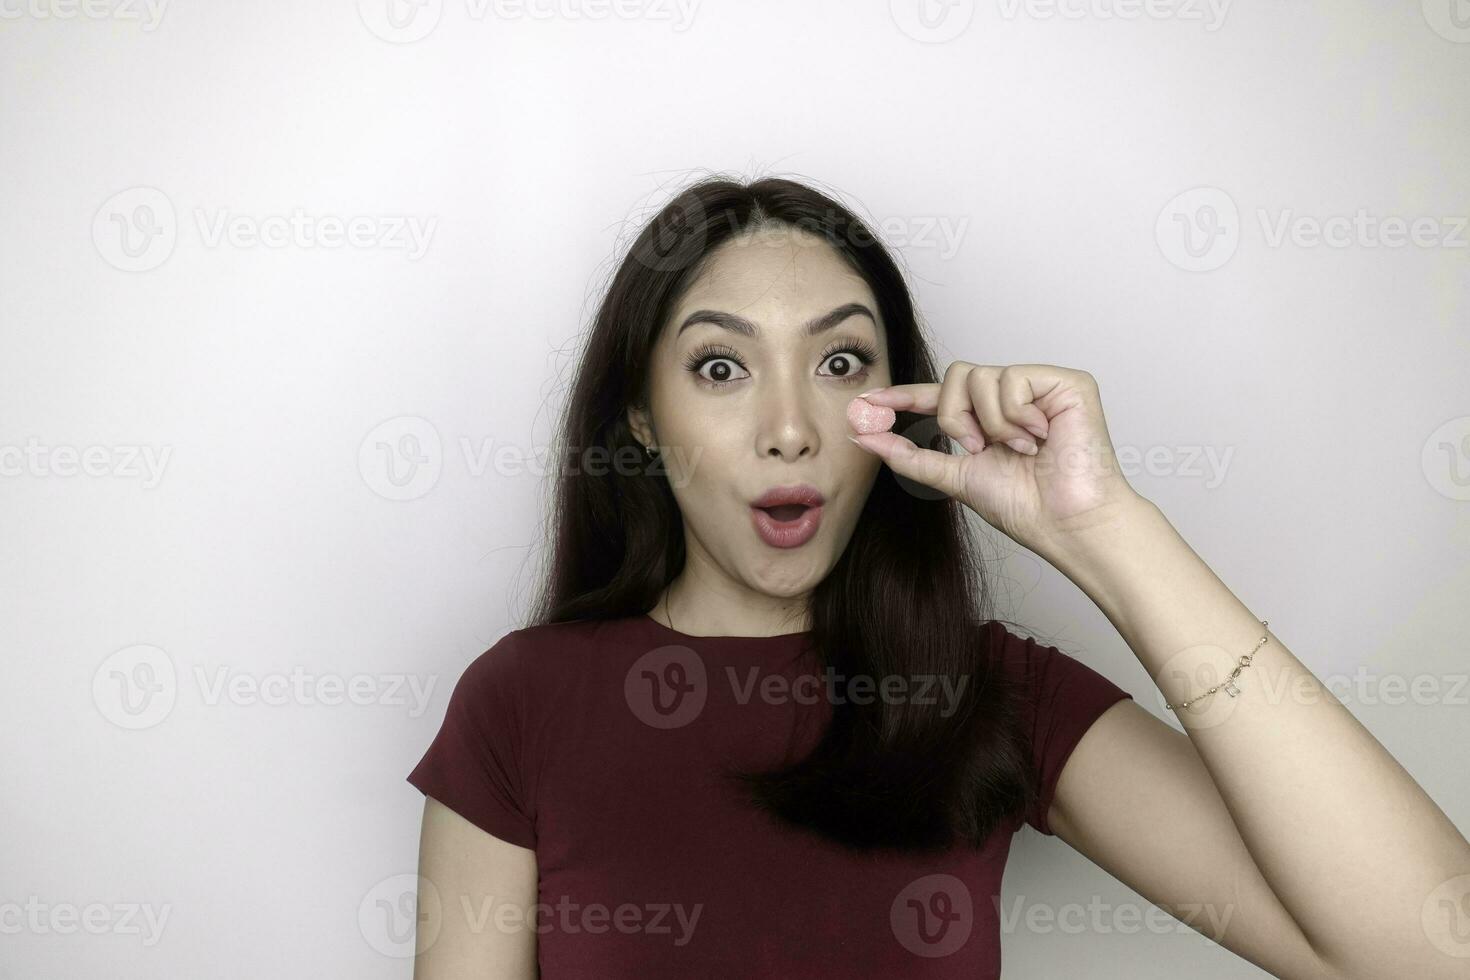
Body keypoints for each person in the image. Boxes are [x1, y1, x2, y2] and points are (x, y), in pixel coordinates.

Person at [405, 175, 1470, 978]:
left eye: (840, 362)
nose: (789, 429)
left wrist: (1108, 529)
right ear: (641, 416)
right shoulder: (521, 700)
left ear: (899, 403)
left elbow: (1429, 949)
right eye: (721, 367)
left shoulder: (990, 688)